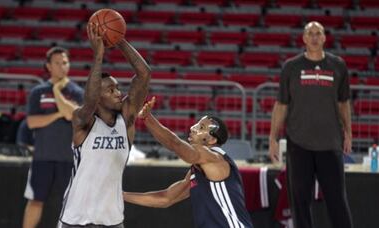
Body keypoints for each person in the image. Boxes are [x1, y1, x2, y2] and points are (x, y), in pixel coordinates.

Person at [58, 22, 151, 228]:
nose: (118, 93)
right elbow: (89, 101)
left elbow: (144, 74)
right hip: (76, 219)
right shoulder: (82, 121)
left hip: (112, 220)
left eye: (118, 88)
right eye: (110, 90)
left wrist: (118, 39)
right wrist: (98, 55)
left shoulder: (126, 119)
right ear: (98, 96)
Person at [268, 21, 353, 228]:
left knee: (337, 201)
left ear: (324, 38)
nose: (314, 37)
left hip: (330, 144)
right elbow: (281, 105)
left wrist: (348, 133)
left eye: (318, 33)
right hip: (299, 144)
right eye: (310, 33)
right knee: (300, 202)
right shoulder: (291, 67)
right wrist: (272, 138)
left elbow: (344, 104)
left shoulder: (338, 65)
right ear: (304, 38)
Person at [123, 97, 254, 228]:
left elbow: (175, 144)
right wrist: (121, 195)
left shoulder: (214, 158)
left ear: (212, 140)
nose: (193, 128)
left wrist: (147, 118)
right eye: (196, 124)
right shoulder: (199, 169)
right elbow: (166, 198)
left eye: (201, 127)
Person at [23, 46, 84, 228]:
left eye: (65, 62)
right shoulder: (38, 92)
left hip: (69, 158)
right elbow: (33, 122)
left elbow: (72, 115)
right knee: (35, 200)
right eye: (57, 63)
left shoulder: (77, 92)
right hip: (43, 157)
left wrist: (57, 91)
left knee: (72, 204)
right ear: (48, 66)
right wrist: (58, 114)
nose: (62, 66)